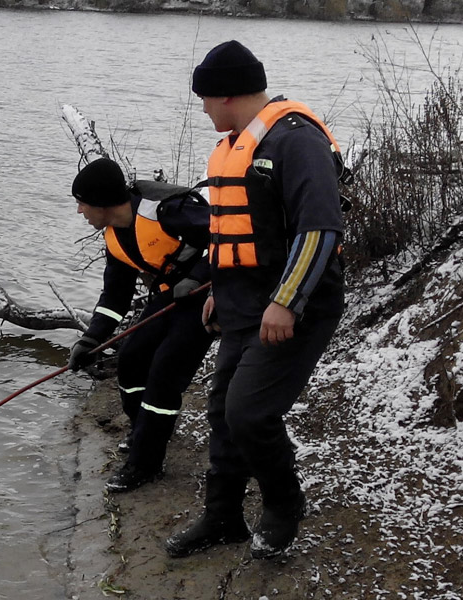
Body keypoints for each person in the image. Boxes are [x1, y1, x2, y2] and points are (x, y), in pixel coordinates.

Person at [164, 40, 347, 560]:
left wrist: (287, 302)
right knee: (222, 409)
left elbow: (320, 230)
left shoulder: (296, 141)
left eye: (203, 98)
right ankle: (223, 516)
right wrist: (219, 292)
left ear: (224, 96)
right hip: (242, 301)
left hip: (299, 303)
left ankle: (284, 506)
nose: (201, 108)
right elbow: (237, 234)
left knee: (249, 413)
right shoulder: (240, 142)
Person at [68, 157, 214, 493]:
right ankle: (144, 429)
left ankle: (144, 464)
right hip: (169, 297)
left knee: (164, 373)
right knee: (132, 360)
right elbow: (115, 297)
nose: (80, 212)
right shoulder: (114, 238)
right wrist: (90, 341)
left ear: (103, 203)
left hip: (207, 295)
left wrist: (197, 277)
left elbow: (226, 238)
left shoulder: (168, 211)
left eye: (82, 204)